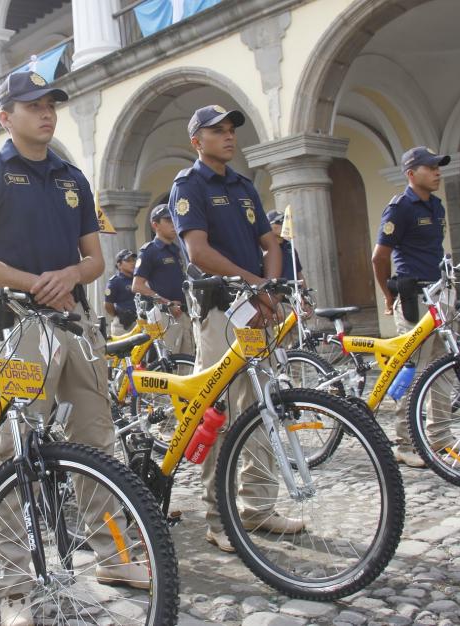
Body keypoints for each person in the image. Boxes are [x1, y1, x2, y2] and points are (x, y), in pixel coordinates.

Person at [0, 70, 148, 624]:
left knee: (97, 441)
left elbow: (95, 260)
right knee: (17, 452)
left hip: (74, 322)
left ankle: (112, 556)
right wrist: (29, 280)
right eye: (32, 105)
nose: (46, 113)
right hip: (18, 325)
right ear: (5, 116)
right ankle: (15, 584)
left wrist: (67, 274)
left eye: (51, 104)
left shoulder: (73, 178)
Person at [169, 104, 296, 553]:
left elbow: (269, 242)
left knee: (259, 407)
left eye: (230, 130)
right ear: (196, 141)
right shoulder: (189, 184)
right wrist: (255, 283)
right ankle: (219, 518)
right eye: (216, 131)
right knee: (219, 415)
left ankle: (257, 508)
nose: (228, 136)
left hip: (256, 309)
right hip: (220, 310)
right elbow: (198, 250)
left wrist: (272, 292)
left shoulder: (244, 186)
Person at [372, 146, 452, 468]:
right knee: (414, 370)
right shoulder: (400, 208)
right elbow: (379, 257)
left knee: (443, 366)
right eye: (430, 167)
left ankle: (441, 437)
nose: (437, 172)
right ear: (411, 173)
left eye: (438, 167)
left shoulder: (436, 205)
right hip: (413, 296)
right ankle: (405, 442)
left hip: (438, 292)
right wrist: (388, 295)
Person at [132, 203, 195, 355]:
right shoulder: (150, 251)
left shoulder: (176, 250)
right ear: (155, 225)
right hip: (164, 314)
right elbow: (137, 286)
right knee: (168, 362)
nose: (174, 224)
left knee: (188, 361)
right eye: (168, 220)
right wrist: (166, 303)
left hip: (182, 312)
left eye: (174, 219)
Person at [104, 248, 137, 336]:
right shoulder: (114, 282)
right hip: (123, 326)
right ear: (119, 265)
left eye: (133, 260)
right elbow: (108, 305)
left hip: (139, 322)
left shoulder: (137, 279)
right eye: (128, 261)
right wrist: (119, 315)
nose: (132, 263)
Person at [266, 210, 305, 283]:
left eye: (284, 222)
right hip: (276, 291)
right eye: (279, 222)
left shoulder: (289, 246)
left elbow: (298, 272)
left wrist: (305, 291)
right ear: (268, 226)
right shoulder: (264, 248)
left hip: (294, 291)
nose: (283, 225)